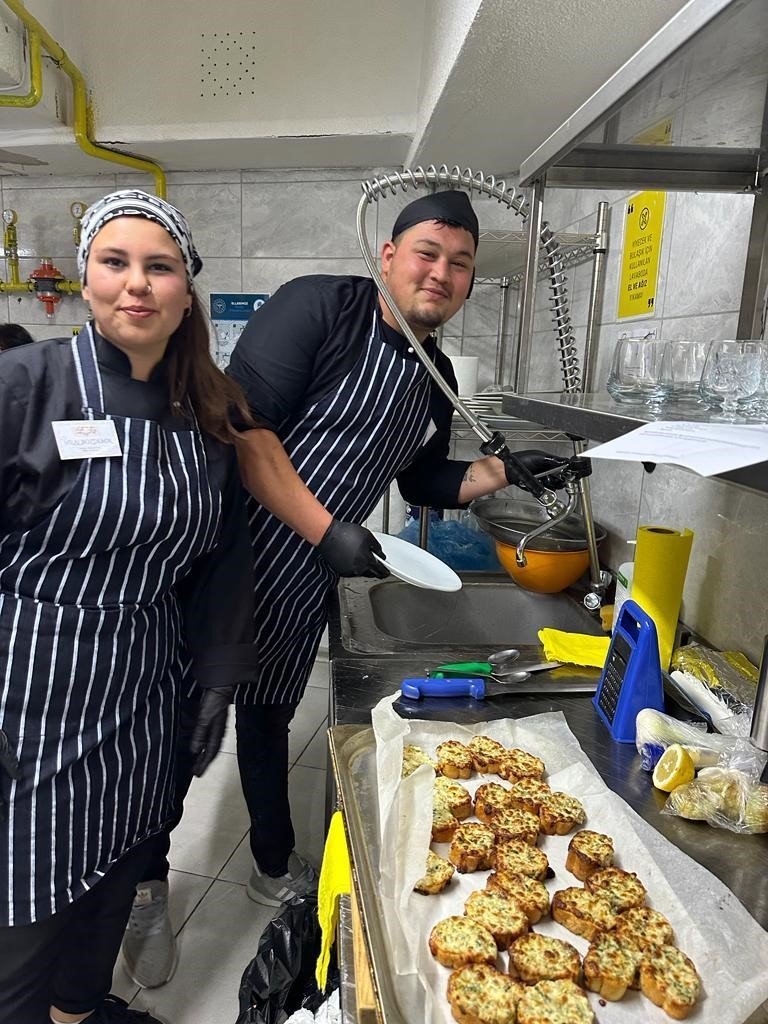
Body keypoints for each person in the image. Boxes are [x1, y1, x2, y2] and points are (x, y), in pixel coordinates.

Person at [125, 189, 581, 986]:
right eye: (427, 253)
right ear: (389, 256)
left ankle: (270, 862)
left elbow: (423, 477)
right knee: (174, 740)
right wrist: (328, 530)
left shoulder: (433, 373)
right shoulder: (321, 309)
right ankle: (144, 893)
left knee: (266, 722)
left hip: (305, 578)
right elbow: (243, 424)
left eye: (460, 263)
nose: (441, 272)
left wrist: (506, 470)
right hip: (224, 562)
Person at [0, 189, 258, 1024]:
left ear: (188, 290)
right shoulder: (23, 385)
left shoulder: (206, 412)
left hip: (144, 688)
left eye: (160, 266)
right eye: (116, 263)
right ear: (85, 280)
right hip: (29, 693)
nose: (137, 285)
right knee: (26, 900)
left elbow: (220, 561)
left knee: (116, 873)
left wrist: (216, 678)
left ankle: (79, 1014)